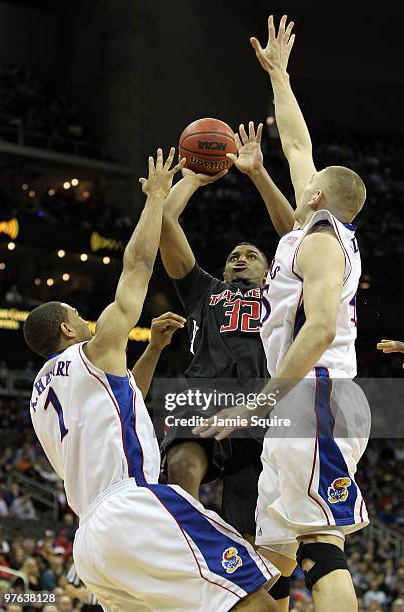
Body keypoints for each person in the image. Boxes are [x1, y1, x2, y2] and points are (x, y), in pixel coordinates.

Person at [23, 148, 279, 612]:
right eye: (78, 316)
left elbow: (126, 401)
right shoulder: (202, 291)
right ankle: (190, 520)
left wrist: (154, 349)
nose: (86, 320)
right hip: (145, 489)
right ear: (67, 330)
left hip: (94, 537)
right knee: (251, 595)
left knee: (251, 544)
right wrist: (167, 192)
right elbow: (139, 264)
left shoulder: (43, 394)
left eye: (252, 254)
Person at [195, 15, 370, 612]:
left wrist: (262, 398)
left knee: (324, 546)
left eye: (308, 182)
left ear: (317, 196)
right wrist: (280, 75)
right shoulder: (309, 228)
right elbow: (297, 142)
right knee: (267, 565)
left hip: (315, 394)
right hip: (295, 406)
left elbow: (320, 329)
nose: (303, 175)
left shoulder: (321, 241)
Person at [160, 121, 294, 547]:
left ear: (268, 269)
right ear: (222, 269)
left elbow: (295, 235)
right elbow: (165, 222)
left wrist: (258, 173)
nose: (240, 258)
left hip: (262, 408)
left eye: (251, 255)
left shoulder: (284, 292)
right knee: (182, 465)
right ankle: (188, 543)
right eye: (234, 255)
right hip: (205, 396)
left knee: (250, 532)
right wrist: (192, 179)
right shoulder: (205, 290)